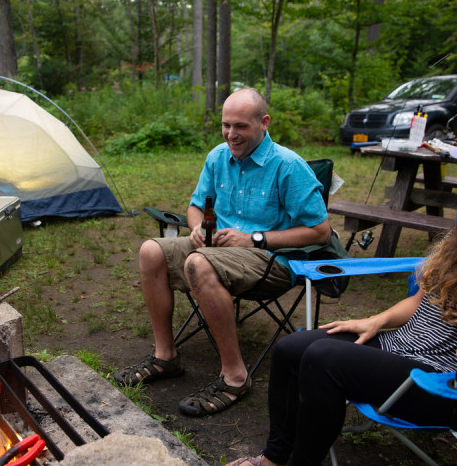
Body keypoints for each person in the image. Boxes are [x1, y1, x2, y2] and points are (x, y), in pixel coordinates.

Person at [221, 139, 457, 466]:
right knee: (292, 348)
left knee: (324, 360)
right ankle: (275, 458)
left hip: (450, 382)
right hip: (400, 351)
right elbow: (419, 299)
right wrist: (375, 320)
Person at [113, 88, 331, 417]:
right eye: (226, 125)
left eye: (241, 126)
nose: (232, 134)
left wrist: (255, 238)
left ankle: (235, 376)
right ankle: (165, 356)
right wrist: (198, 227)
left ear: (264, 122)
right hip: (216, 248)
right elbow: (195, 206)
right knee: (150, 251)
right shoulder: (218, 157)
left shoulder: (288, 166)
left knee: (198, 264)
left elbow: (320, 232)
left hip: (270, 260)